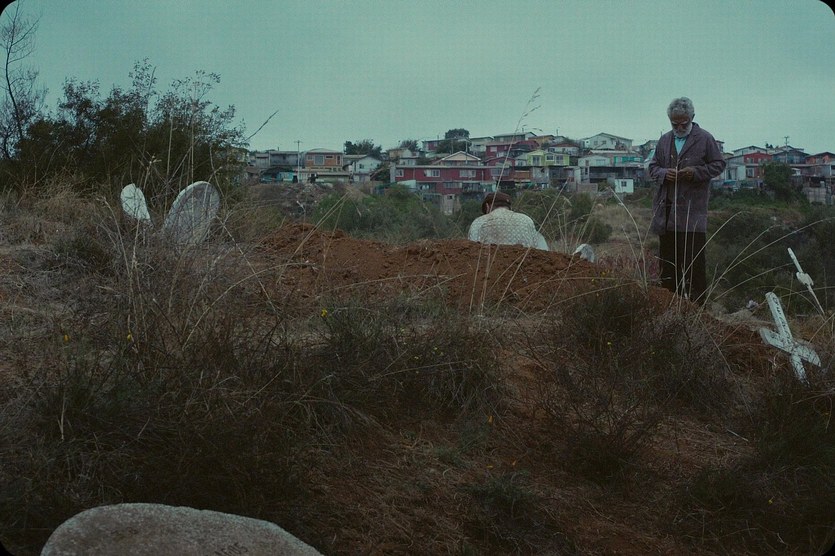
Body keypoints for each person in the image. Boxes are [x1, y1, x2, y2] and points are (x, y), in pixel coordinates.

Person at [648, 97, 726, 304]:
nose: (679, 128)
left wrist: (696, 172)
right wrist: (664, 173)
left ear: (692, 117)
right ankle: (669, 308)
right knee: (667, 267)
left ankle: (697, 311)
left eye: (684, 123)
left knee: (694, 269)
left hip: (692, 215)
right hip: (666, 215)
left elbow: (719, 164)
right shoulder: (664, 140)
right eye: (674, 124)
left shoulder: (705, 138)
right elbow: (652, 167)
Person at [468, 191, 548, 250]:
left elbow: (472, 250)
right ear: (510, 207)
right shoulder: (526, 220)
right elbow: (538, 248)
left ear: (487, 206)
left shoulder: (479, 222)